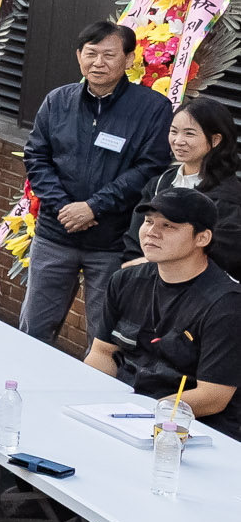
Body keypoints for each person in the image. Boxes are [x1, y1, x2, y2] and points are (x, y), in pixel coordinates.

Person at [20, 21, 176, 347]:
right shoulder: (57, 101)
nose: (98, 63)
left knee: (104, 341)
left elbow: (149, 168)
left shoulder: (152, 108)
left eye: (109, 54)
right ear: (79, 56)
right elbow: (36, 157)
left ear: (129, 59)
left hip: (111, 242)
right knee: (33, 331)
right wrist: (64, 206)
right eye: (90, 54)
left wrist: (94, 206)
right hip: (55, 236)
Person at [85, 188, 241, 438]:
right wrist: (95, 401)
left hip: (192, 429)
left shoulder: (226, 304)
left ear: (202, 238)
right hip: (123, 413)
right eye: (148, 222)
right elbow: (102, 352)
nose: (152, 232)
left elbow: (213, 396)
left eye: (168, 226)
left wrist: (143, 414)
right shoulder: (124, 281)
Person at [129, 96, 241, 278]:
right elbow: (133, 239)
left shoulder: (228, 197)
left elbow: (223, 254)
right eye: (174, 131)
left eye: (189, 133)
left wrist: (150, 265)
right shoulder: (158, 184)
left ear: (215, 140)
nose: (178, 141)